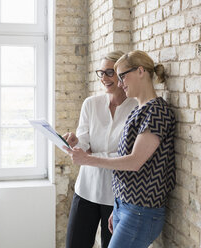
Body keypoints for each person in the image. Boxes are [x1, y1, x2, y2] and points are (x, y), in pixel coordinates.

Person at [64, 50, 176, 248]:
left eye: (121, 75)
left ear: (140, 71)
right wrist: (120, 205)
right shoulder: (141, 109)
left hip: (139, 210)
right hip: (124, 204)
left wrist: (89, 159)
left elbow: (133, 161)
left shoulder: (155, 110)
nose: (119, 81)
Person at [64, 51, 138, 248]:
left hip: (116, 197)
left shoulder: (136, 108)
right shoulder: (91, 104)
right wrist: (74, 143)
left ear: (122, 74)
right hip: (86, 189)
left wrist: (89, 157)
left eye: (109, 72)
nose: (104, 78)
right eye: (101, 72)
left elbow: (128, 156)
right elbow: (83, 145)